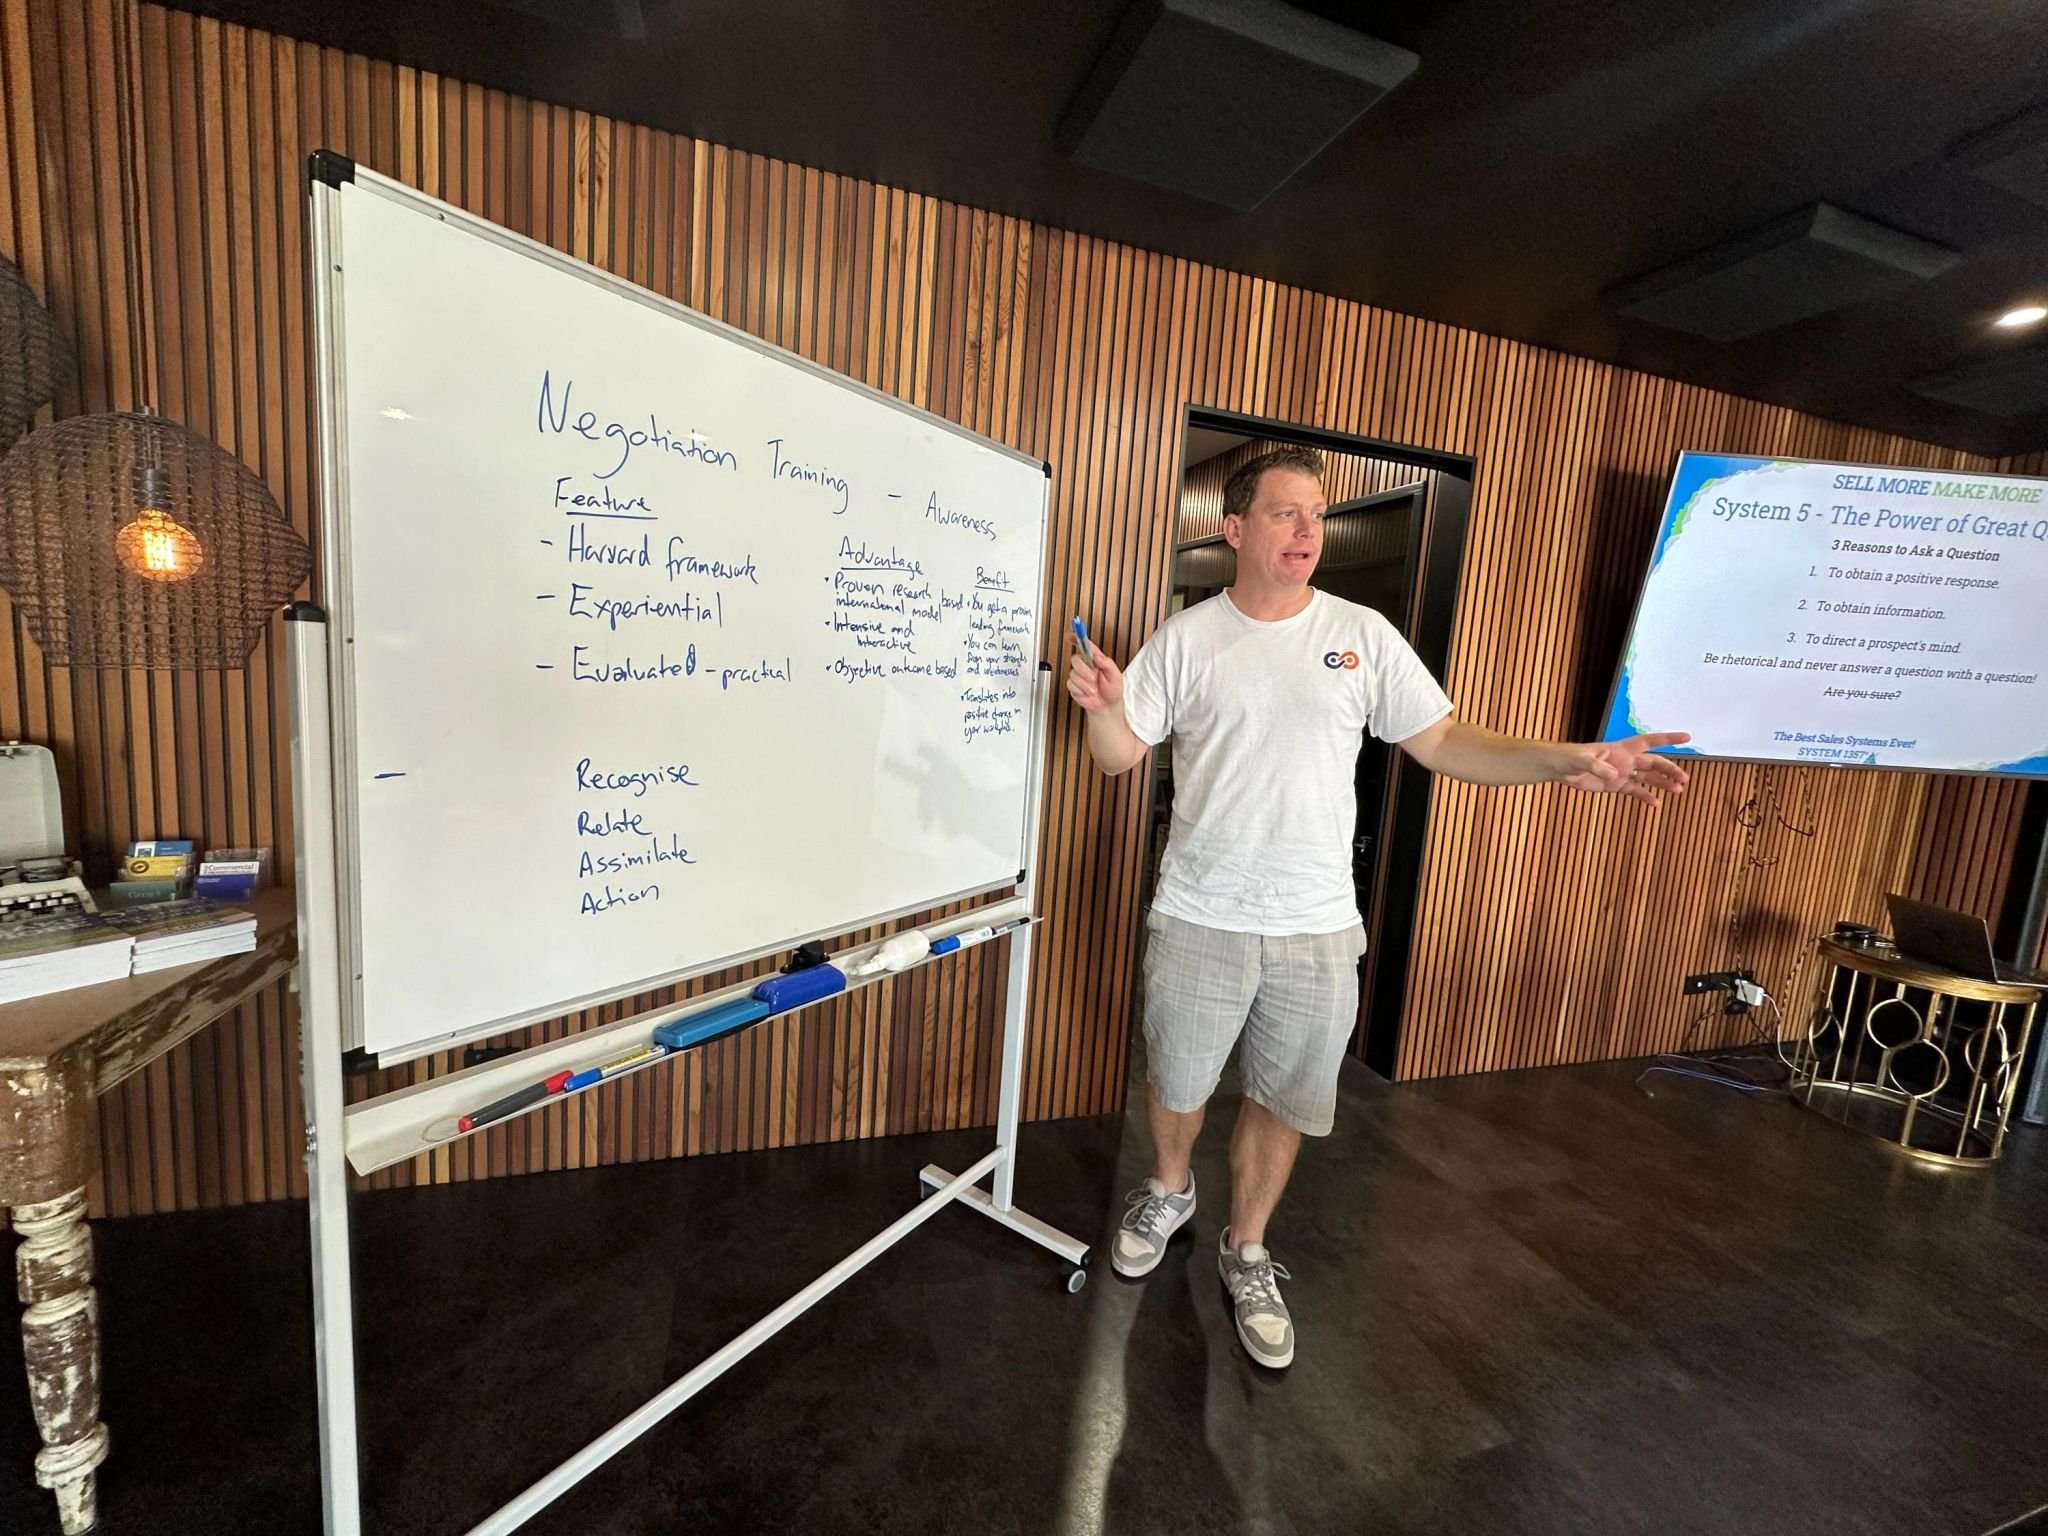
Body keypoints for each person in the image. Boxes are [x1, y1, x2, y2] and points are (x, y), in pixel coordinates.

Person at [1066, 445, 1688, 1369]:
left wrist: (1573, 758)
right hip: (1201, 910)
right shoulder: (1188, 638)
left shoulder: (1362, 633)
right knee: (1178, 1081)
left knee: (1286, 1097)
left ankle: (1247, 1248)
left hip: (1318, 925)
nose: (1308, 530)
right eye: (1285, 512)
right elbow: (1120, 757)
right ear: (1235, 528)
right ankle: (1168, 1188)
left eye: (1317, 513)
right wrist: (1102, 706)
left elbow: (1446, 741)